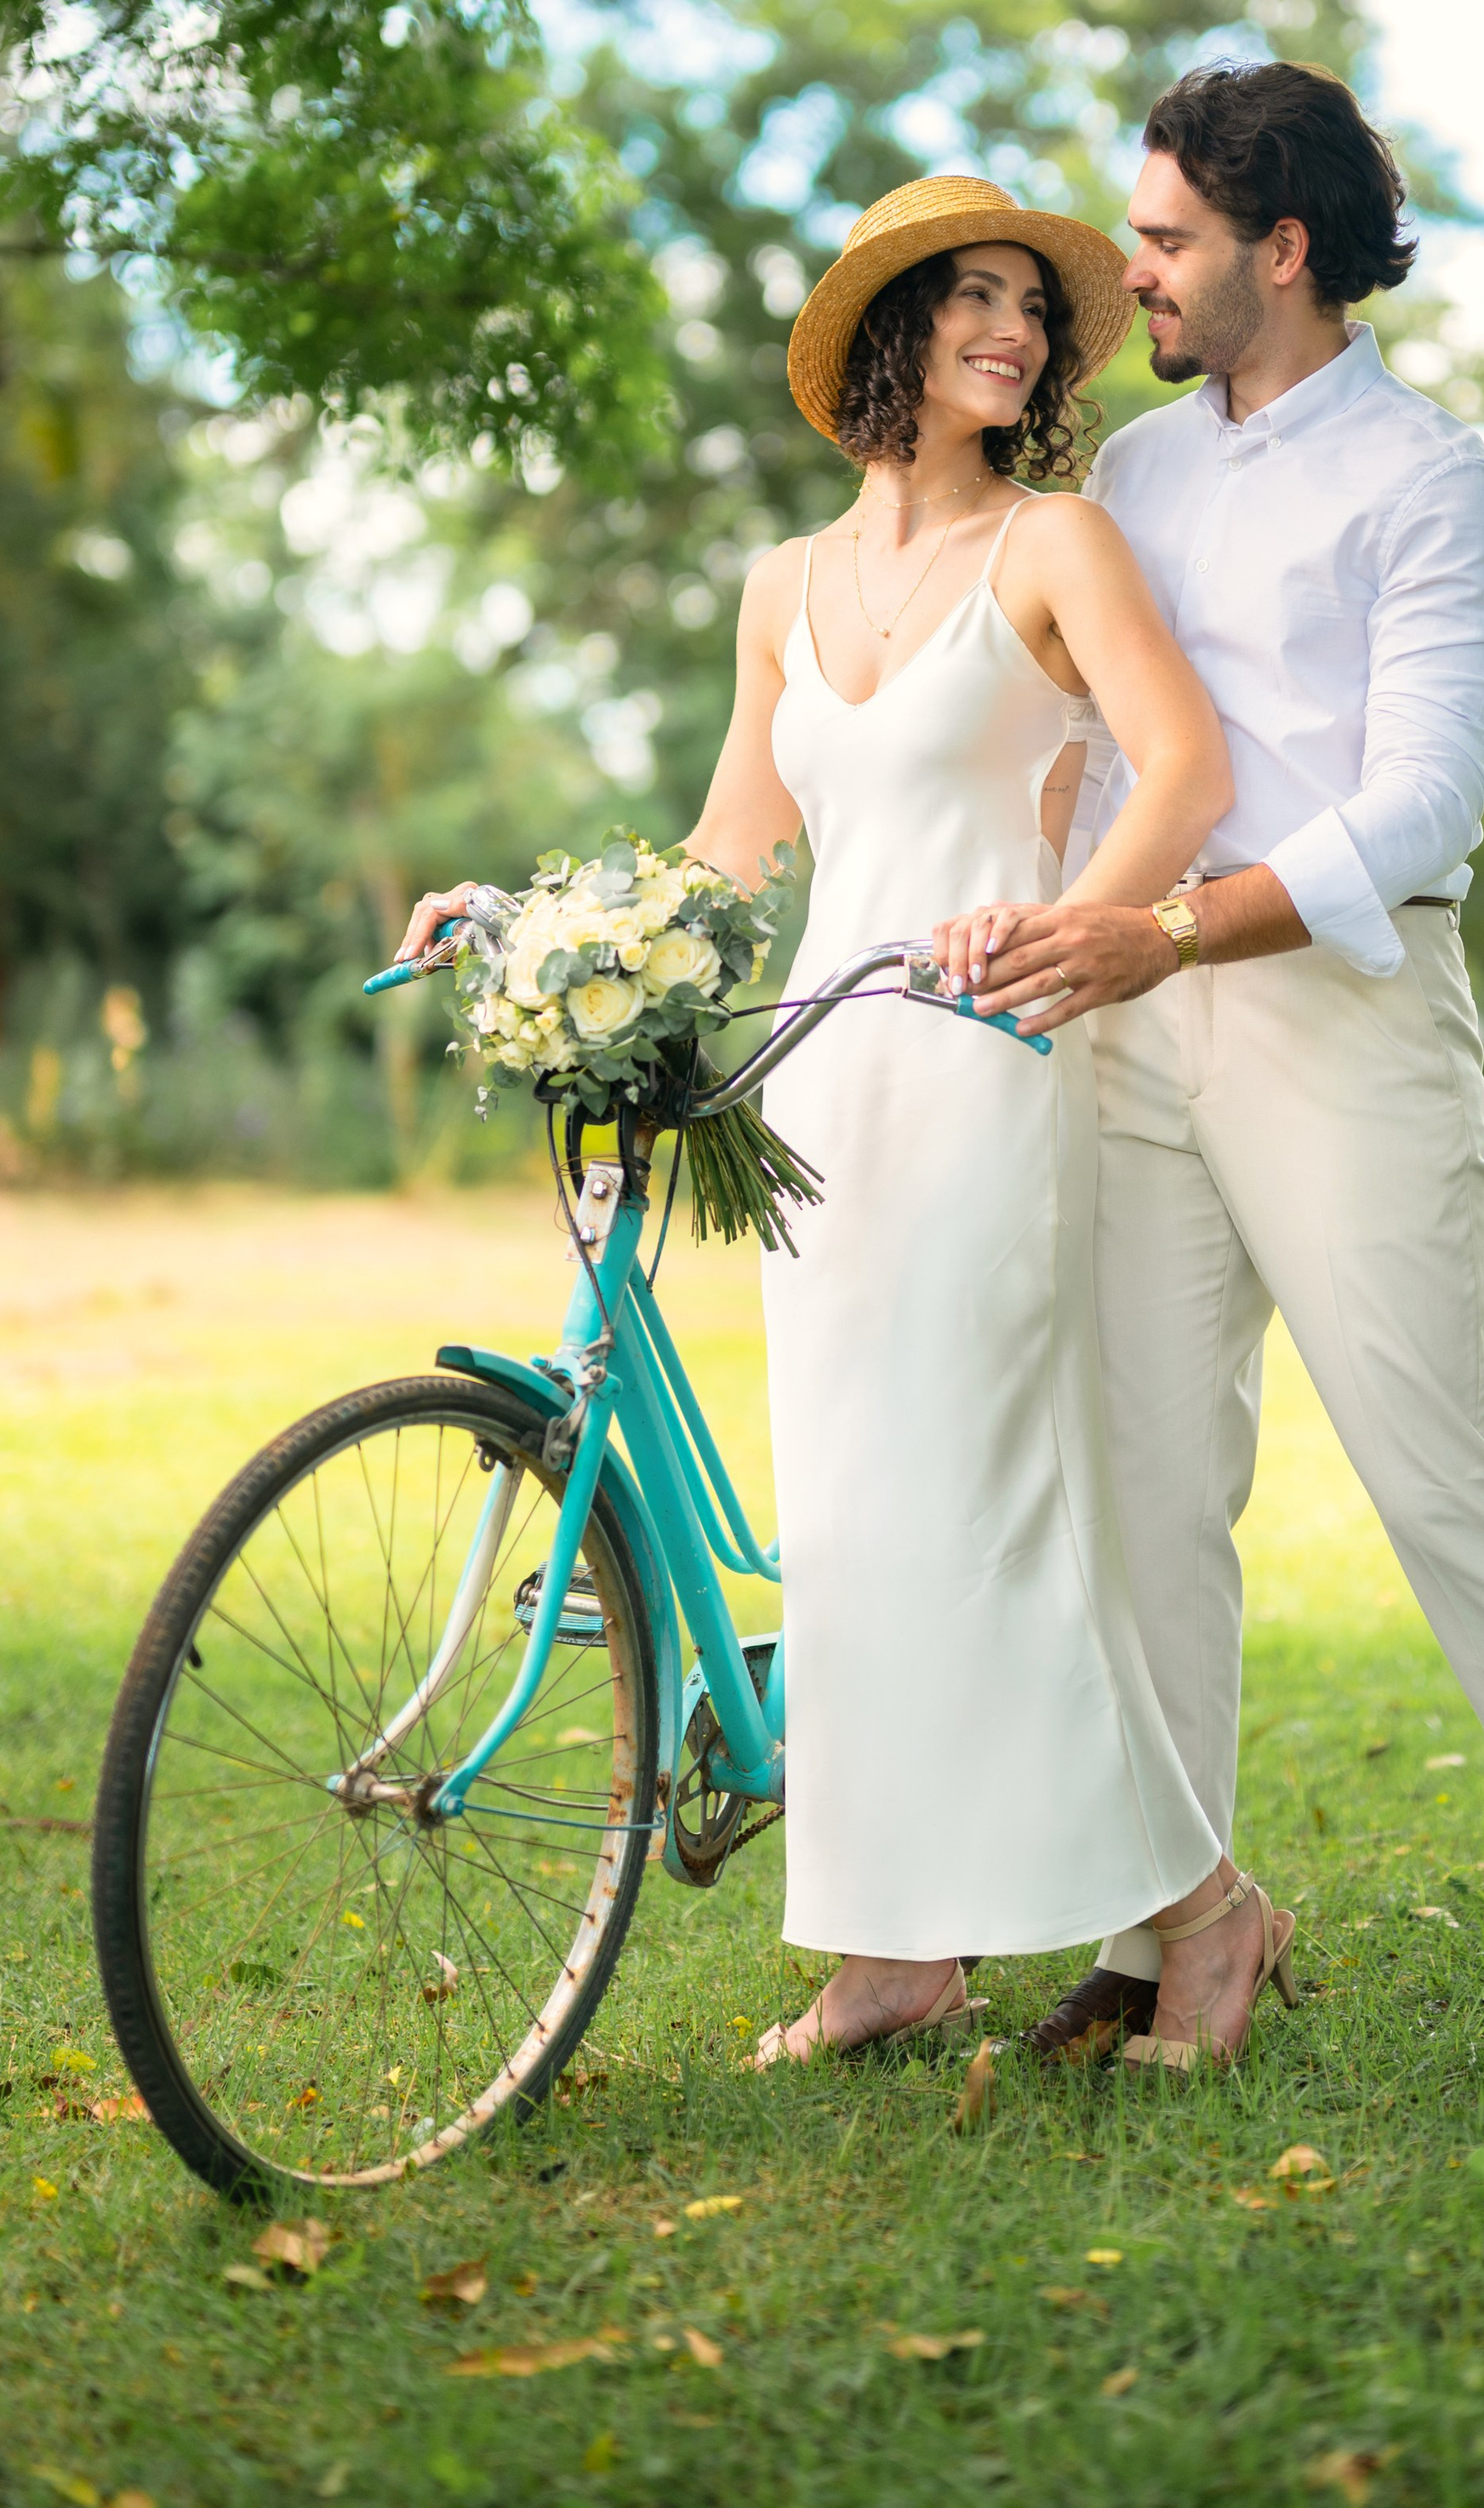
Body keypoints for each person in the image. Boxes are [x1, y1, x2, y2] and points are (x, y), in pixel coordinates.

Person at [400, 173, 1299, 2070]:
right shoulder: (779, 590)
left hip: (991, 1065)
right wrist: (528, 923)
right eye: (973, 298)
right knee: (858, 1522)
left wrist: (1080, 928)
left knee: (984, 1506)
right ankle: (894, 1951)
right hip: (815, 1082)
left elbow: (1187, 766)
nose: (1021, 330)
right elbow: (734, 857)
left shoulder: (1053, 543)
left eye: (1034, 308)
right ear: (886, 333)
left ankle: (1205, 1919)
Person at [933, 64, 1484, 2059]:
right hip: (1133, 1025)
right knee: (1135, 1480)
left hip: (1342, 1017)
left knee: (1440, 1470)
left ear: (1278, 250)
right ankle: (1166, 1921)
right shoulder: (1128, 474)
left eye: (1162, 242)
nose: (1121, 273)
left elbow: (1408, 816)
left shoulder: (1435, 486)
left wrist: (1170, 927)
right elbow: (1104, 754)